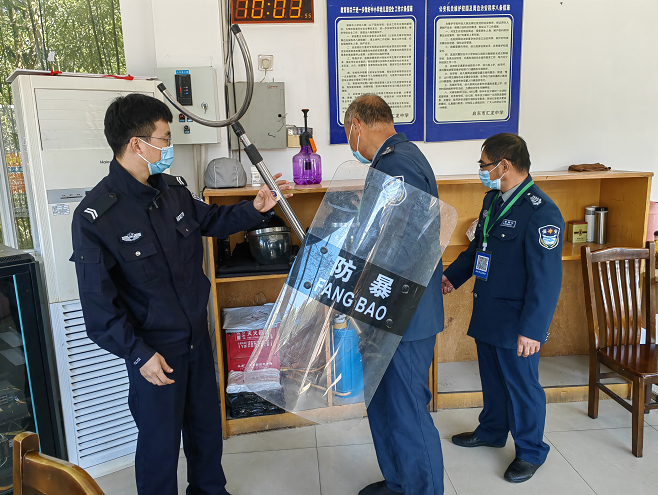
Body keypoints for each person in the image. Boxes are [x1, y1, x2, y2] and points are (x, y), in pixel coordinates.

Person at [70, 93, 291, 495]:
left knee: (206, 428)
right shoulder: (96, 217)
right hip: (155, 352)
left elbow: (213, 220)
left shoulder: (171, 190)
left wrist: (256, 208)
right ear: (137, 144)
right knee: (159, 447)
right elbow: (99, 310)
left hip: (196, 339)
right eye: (165, 139)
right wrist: (138, 354)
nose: (169, 147)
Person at [442, 133, 564, 483]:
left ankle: (531, 452)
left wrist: (533, 330)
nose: (482, 170)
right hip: (488, 311)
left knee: (523, 387)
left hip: (516, 321)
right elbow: (477, 250)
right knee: (493, 380)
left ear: (504, 165)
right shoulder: (493, 201)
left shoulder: (542, 212)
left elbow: (546, 280)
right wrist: (451, 277)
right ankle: (492, 431)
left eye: (484, 165)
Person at [345, 94, 445, 495]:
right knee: (384, 404)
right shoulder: (392, 161)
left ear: (357, 125)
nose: (349, 140)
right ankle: (398, 482)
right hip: (384, 309)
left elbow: (404, 244)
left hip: (403, 313)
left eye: (347, 131)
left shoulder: (398, 164)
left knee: (406, 411)